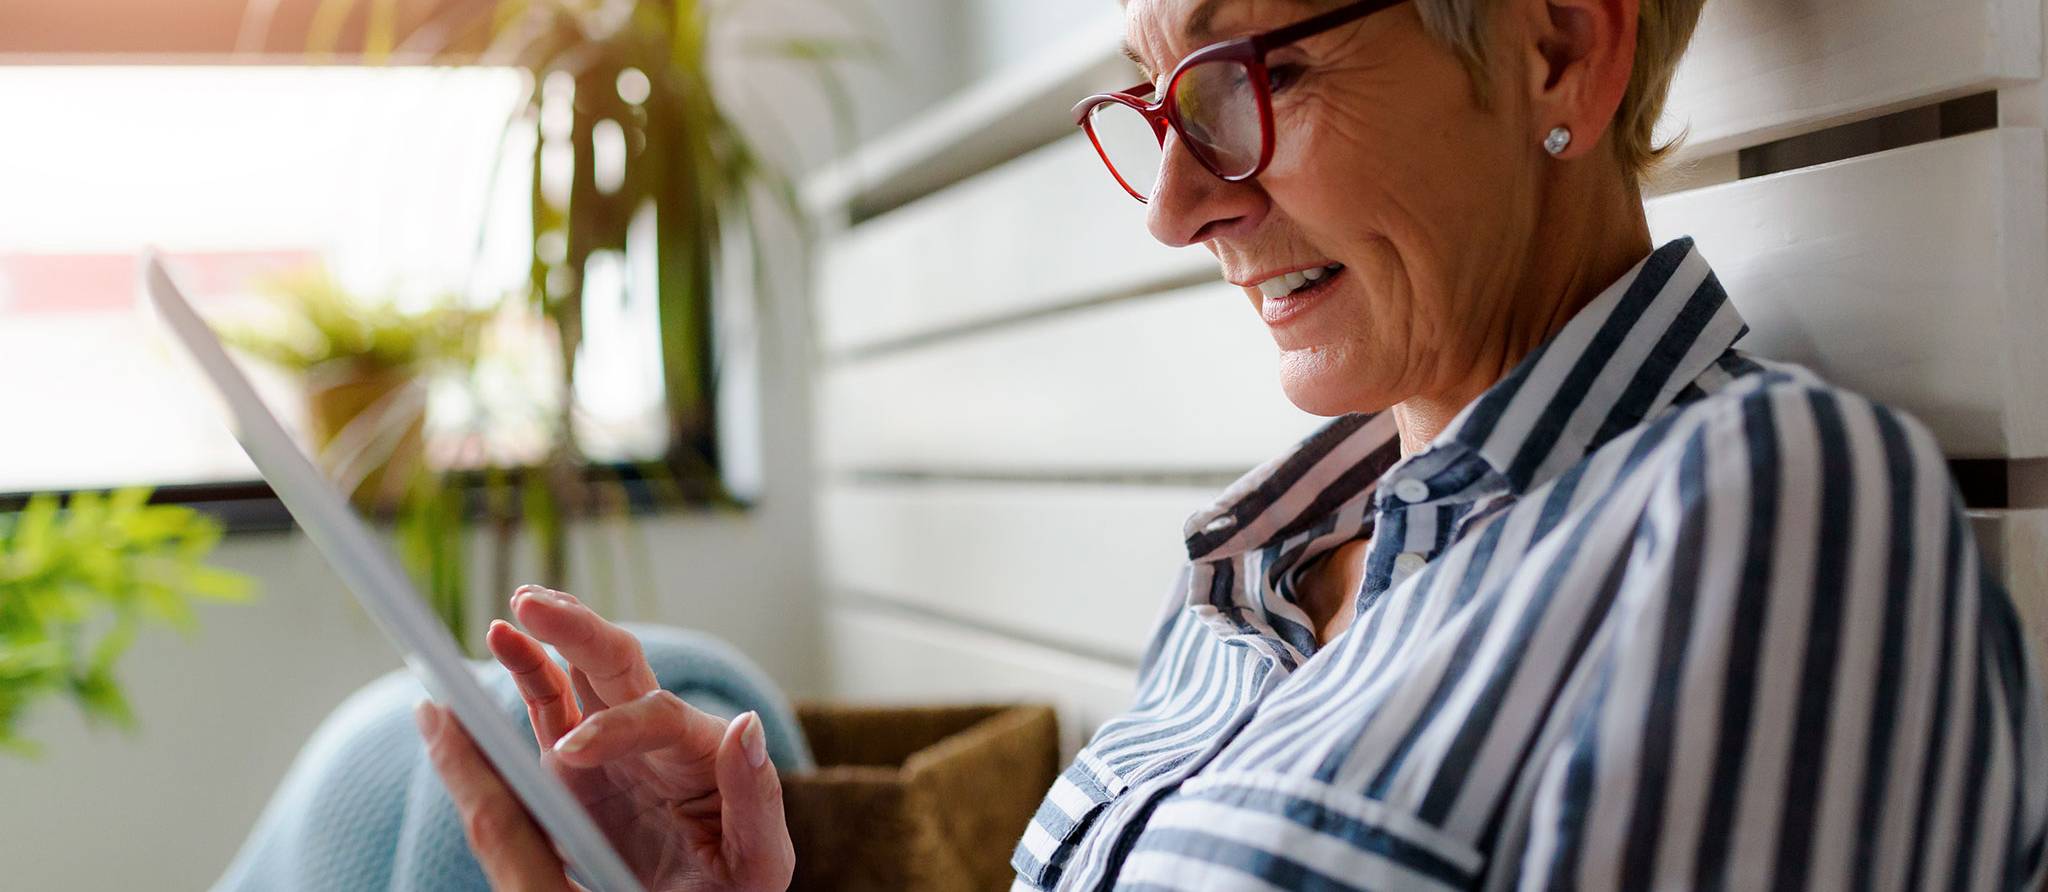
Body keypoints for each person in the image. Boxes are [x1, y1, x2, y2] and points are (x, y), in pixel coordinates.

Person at [415, 0, 2048, 888]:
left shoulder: (1760, 520)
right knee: (463, 752)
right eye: (1158, 101)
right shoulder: (1257, 571)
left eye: (1252, 75)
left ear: (1557, 41)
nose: (1181, 206)